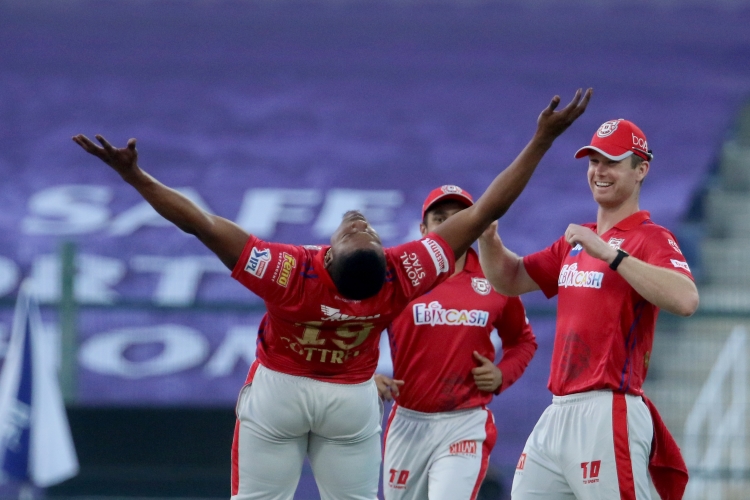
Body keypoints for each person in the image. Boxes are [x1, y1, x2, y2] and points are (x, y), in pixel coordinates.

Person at [72, 88, 591, 500]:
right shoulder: (403, 272)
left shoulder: (287, 271)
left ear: (330, 252)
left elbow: (199, 223)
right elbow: (486, 210)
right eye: (364, 233)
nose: (360, 223)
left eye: (358, 232)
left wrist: (136, 177)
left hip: (282, 390)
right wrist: (540, 141)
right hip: (349, 398)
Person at [477, 118, 699, 499]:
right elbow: (509, 278)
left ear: (641, 170)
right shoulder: (577, 240)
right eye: (594, 161)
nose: (599, 171)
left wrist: (610, 254)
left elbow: (686, 299)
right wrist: (487, 238)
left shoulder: (651, 237)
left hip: (609, 408)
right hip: (559, 409)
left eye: (612, 162)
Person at [375, 184, 538, 500]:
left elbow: (522, 340)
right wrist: (367, 376)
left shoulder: (495, 277)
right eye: (440, 218)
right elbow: (359, 326)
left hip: (465, 421)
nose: (451, 226)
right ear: (423, 229)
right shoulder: (400, 275)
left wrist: (502, 373)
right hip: (407, 420)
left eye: (460, 217)